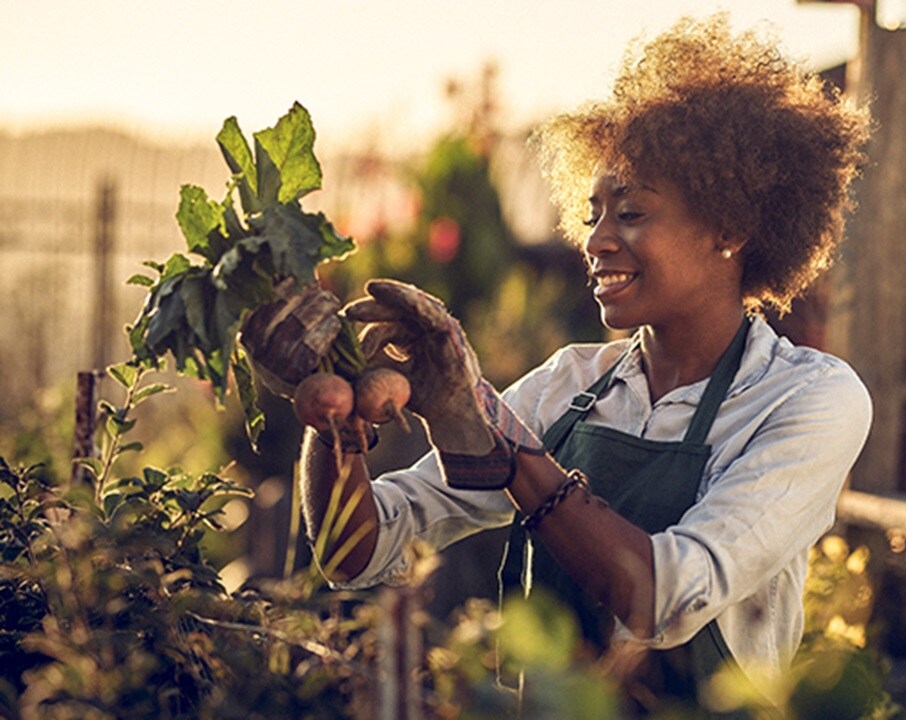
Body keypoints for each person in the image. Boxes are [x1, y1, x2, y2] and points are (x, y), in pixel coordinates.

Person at [245, 13, 872, 715]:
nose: (597, 240)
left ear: (729, 227)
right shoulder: (571, 386)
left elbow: (664, 597)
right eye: (593, 212)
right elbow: (356, 551)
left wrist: (505, 449)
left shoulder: (806, 398)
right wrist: (333, 416)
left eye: (630, 212)